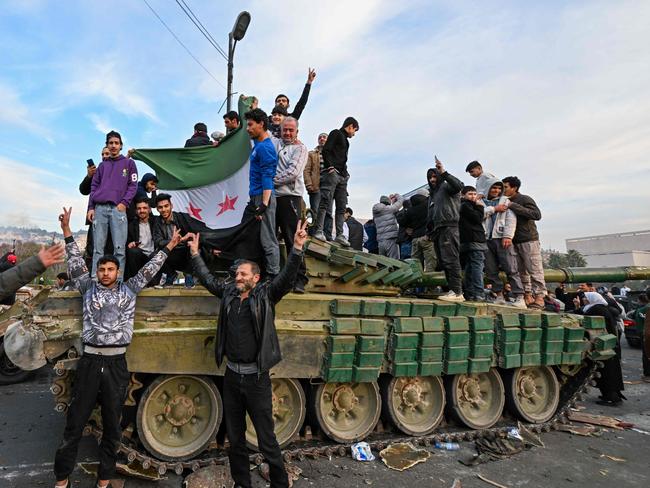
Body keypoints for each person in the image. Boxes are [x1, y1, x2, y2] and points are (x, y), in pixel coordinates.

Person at [53, 207, 182, 488]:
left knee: (113, 426)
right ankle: (62, 479)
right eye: (102, 269)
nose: (106, 273)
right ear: (97, 270)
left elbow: (150, 268)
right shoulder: (87, 287)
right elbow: (75, 261)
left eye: (110, 269)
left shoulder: (130, 289)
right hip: (89, 361)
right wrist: (66, 231)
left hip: (116, 364)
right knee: (75, 423)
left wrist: (170, 246)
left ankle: (104, 479)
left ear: (118, 271)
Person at [189, 220, 309, 488]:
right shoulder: (229, 293)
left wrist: (298, 248)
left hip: (257, 380)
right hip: (232, 376)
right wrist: (196, 254)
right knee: (236, 438)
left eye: (243, 274)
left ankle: (280, 483)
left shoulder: (267, 294)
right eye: (237, 274)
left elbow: (286, 278)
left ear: (256, 278)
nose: (237, 277)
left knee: (266, 440)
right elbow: (209, 280)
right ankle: (243, 483)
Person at [87, 131, 138, 276]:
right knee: (98, 248)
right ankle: (95, 280)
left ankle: (118, 281)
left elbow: (133, 185)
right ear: (107, 146)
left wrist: (124, 203)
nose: (113, 146)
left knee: (119, 249)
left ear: (121, 145)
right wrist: (91, 207)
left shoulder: (129, 163)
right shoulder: (102, 166)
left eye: (116, 143)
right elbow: (93, 187)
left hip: (118, 209)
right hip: (100, 209)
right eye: (111, 143)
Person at [498, 176, 546, 309]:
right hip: (513, 241)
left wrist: (514, 206)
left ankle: (540, 297)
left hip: (529, 239)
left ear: (514, 188)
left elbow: (536, 215)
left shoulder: (524, 199)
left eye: (506, 187)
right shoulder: (503, 201)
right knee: (520, 271)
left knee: (534, 269)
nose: (503, 189)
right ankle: (527, 296)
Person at [272, 117, 309, 292]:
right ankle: (274, 276)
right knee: (269, 237)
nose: (287, 133)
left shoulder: (301, 148)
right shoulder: (273, 142)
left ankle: (299, 278)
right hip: (271, 198)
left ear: (297, 132)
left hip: (290, 198)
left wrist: (269, 182)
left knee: (292, 238)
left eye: (290, 130)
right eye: (284, 129)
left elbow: (293, 173)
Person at [312, 117, 359, 246]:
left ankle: (339, 234)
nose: (354, 134)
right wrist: (330, 167)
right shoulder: (335, 133)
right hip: (332, 174)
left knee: (341, 206)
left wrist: (346, 174)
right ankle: (319, 230)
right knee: (325, 203)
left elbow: (343, 159)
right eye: (354, 130)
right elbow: (326, 150)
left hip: (342, 177)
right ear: (350, 126)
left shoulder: (346, 142)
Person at [244, 108, 280, 276]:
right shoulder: (258, 145)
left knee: (268, 240)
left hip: (263, 197)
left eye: (250, 125)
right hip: (256, 197)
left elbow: (268, 176)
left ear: (262, 124)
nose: (247, 128)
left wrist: (264, 204)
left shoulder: (266, 148)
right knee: (254, 238)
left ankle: (273, 277)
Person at [573, 291, 625, 406]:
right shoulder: (599, 308)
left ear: (592, 299)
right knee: (609, 371)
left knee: (607, 372)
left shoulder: (596, 309)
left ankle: (612, 398)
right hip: (607, 345)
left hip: (604, 346)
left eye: (586, 298)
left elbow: (581, 316)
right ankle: (611, 395)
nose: (584, 300)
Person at [482, 178, 526, 308]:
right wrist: (494, 209)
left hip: (501, 238)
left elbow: (511, 220)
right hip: (486, 239)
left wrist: (508, 236)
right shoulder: (481, 202)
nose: (496, 190)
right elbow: (478, 215)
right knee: (491, 270)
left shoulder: (506, 201)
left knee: (511, 268)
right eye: (493, 188)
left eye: (499, 188)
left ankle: (519, 296)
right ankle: (499, 295)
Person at [426, 157, 465, 302]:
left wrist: (444, 172)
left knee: (451, 260)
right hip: (438, 229)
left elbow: (459, 185)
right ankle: (452, 290)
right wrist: (429, 231)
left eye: (435, 176)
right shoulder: (433, 194)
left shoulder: (447, 187)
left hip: (449, 226)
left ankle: (457, 291)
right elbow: (430, 215)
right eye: (430, 177)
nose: (432, 179)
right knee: (443, 261)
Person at [152, 194, 196, 286]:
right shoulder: (157, 222)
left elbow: (195, 233)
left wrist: (188, 239)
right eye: (160, 207)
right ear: (157, 209)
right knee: (154, 255)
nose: (164, 209)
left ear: (171, 206)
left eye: (166, 206)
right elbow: (158, 242)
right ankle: (171, 274)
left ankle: (189, 274)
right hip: (169, 254)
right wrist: (174, 241)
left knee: (195, 248)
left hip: (185, 254)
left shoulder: (182, 217)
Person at [80, 147, 112, 264]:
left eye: (107, 153)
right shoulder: (96, 172)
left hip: (113, 218)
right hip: (95, 218)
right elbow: (83, 190)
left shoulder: (118, 171)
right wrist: (89, 176)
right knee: (93, 249)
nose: (104, 156)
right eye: (102, 154)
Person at [0, 244, 64, 302]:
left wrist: (8, 254)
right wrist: (37, 263)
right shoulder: (13, 267)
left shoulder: (2, 266)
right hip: (10, 299)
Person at [459, 186, 487, 301]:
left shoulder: (462, 205)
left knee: (470, 268)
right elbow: (478, 218)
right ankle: (479, 292)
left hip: (467, 241)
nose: (473, 196)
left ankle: (470, 293)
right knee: (477, 267)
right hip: (475, 240)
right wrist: (480, 207)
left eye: (474, 194)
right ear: (463, 195)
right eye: (470, 194)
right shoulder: (466, 205)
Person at [399, 190, 436, 272]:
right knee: (430, 263)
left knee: (416, 265)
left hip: (415, 239)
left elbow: (402, 222)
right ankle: (430, 283)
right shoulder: (428, 205)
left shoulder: (410, 210)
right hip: (427, 237)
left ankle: (418, 283)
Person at [125, 198, 160, 284]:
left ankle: (155, 281)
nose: (142, 210)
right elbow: (126, 242)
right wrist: (130, 244)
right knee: (133, 251)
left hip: (154, 256)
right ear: (136, 211)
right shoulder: (131, 225)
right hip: (140, 257)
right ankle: (135, 281)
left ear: (149, 209)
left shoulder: (157, 221)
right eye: (139, 208)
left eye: (144, 208)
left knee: (156, 255)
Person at [372, 194, 404, 258]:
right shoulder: (388, 209)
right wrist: (396, 195)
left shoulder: (375, 212)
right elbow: (401, 201)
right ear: (388, 203)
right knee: (394, 262)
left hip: (380, 241)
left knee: (383, 263)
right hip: (391, 240)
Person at [304, 133, 327, 219]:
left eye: (324, 137)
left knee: (327, 211)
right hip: (316, 187)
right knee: (315, 210)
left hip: (328, 187)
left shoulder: (332, 154)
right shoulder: (311, 154)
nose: (322, 139)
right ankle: (313, 231)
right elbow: (306, 170)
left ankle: (325, 232)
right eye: (320, 137)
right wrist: (308, 184)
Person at [629, 293, 650, 381]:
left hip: (645, 334)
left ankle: (648, 375)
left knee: (646, 354)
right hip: (645, 333)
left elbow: (634, 317)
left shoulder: (642, 309)